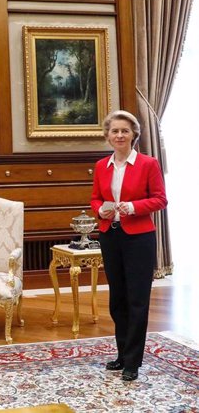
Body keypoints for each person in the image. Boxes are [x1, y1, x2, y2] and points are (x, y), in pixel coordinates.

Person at [91, 110, 167, 382]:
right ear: (108, 136)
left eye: (125, 130)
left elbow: (160, 199)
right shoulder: (102, 166)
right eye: (115, 131)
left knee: (137, 299)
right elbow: (95, 199)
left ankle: (133, 362)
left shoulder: (148, 164)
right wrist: (101, 211)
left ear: (134, 134)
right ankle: (122, 354)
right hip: (110, 236)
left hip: (139, 239)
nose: (120, 135)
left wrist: (133, 207)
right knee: (117, 299)